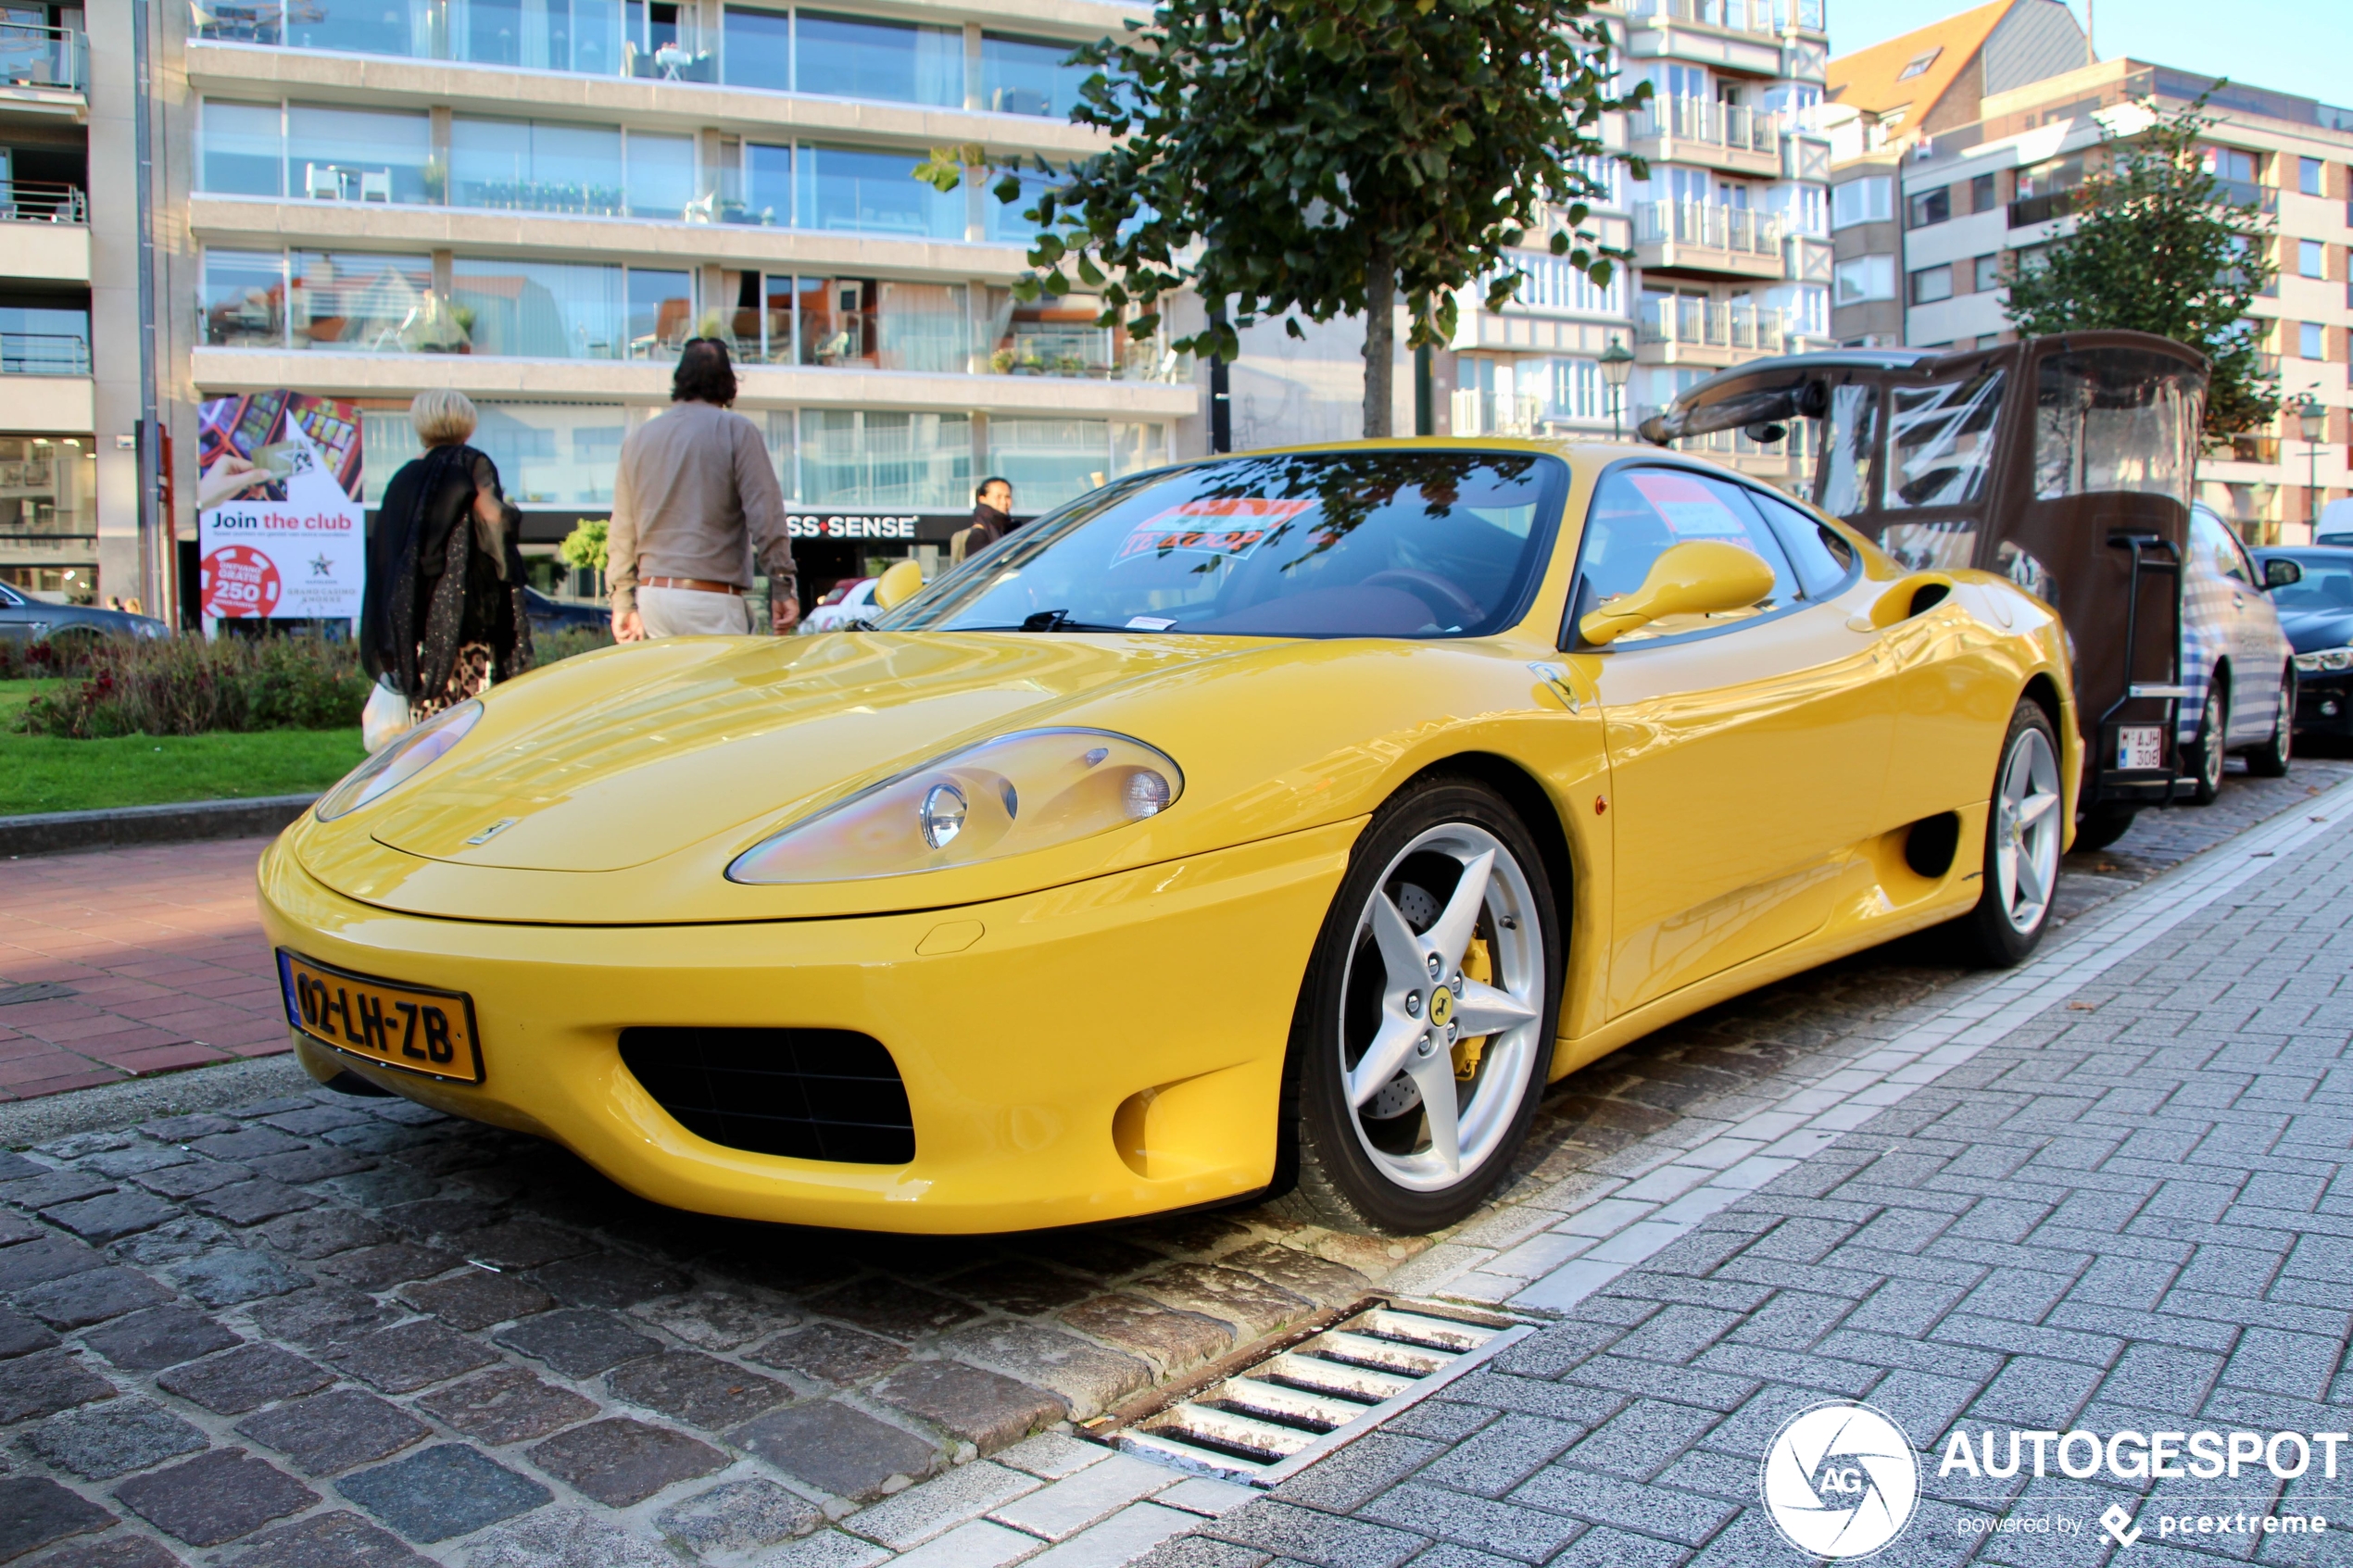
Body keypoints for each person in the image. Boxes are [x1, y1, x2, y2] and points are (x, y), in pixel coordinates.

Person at [361, 389, 534, 721]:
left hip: (415, 626)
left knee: (429, 724)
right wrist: (512, 515)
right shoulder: (471, 464)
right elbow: (493, 519)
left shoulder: (404, 478)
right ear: (467, 424)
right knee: (472, 718)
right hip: (465, 617)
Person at [609, 339, 798, 640]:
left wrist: (622, 600)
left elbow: (622, 530)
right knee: (723, 687)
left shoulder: (639, 439)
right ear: (729, 381)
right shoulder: (737, 431)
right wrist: (782, 586)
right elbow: (766, 517)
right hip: (712, 598)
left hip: (653, 597)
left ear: (680, 378)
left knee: (668, 687)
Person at [950, 477, 1014, 567]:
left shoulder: (1010, 529)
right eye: (998, 497)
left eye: (1007, 497)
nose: (1004, 502)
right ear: (982, 499)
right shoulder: (978, 535)